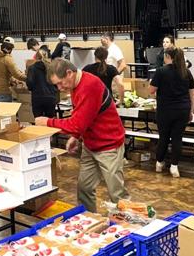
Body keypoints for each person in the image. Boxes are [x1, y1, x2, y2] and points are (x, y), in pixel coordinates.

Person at [35, 59, 128, 212]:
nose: (59, 88)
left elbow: (77, 124)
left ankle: (129, 224)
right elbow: (83, 117)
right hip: (91, 145)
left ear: (69, 73)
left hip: (109, 146)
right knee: (84, 189)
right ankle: (89, 221)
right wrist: (75, 136)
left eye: (60, 83)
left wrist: (48, 122)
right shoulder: (75, 86)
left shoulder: (89, 85)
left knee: (117, 194)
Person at [150, 47, 194, 178]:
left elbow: (151, 90)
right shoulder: (186, 72)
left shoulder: (161, 71)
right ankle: (174, 167)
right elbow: (192, 95)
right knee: (177, 138)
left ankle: (159, 163)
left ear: (168, 56)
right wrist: (191, 111)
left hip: (165, 110)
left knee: (163, 137)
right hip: (182, 110)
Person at [26, 48, 58, 118]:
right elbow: (56, 82)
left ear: (35, 57)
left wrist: (31, 88)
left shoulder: (32, 68)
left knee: (38, 120)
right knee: (50, 121)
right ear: (47, 57)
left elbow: (30, 83)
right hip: (51, 97)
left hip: (37, 98)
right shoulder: (51, 68)